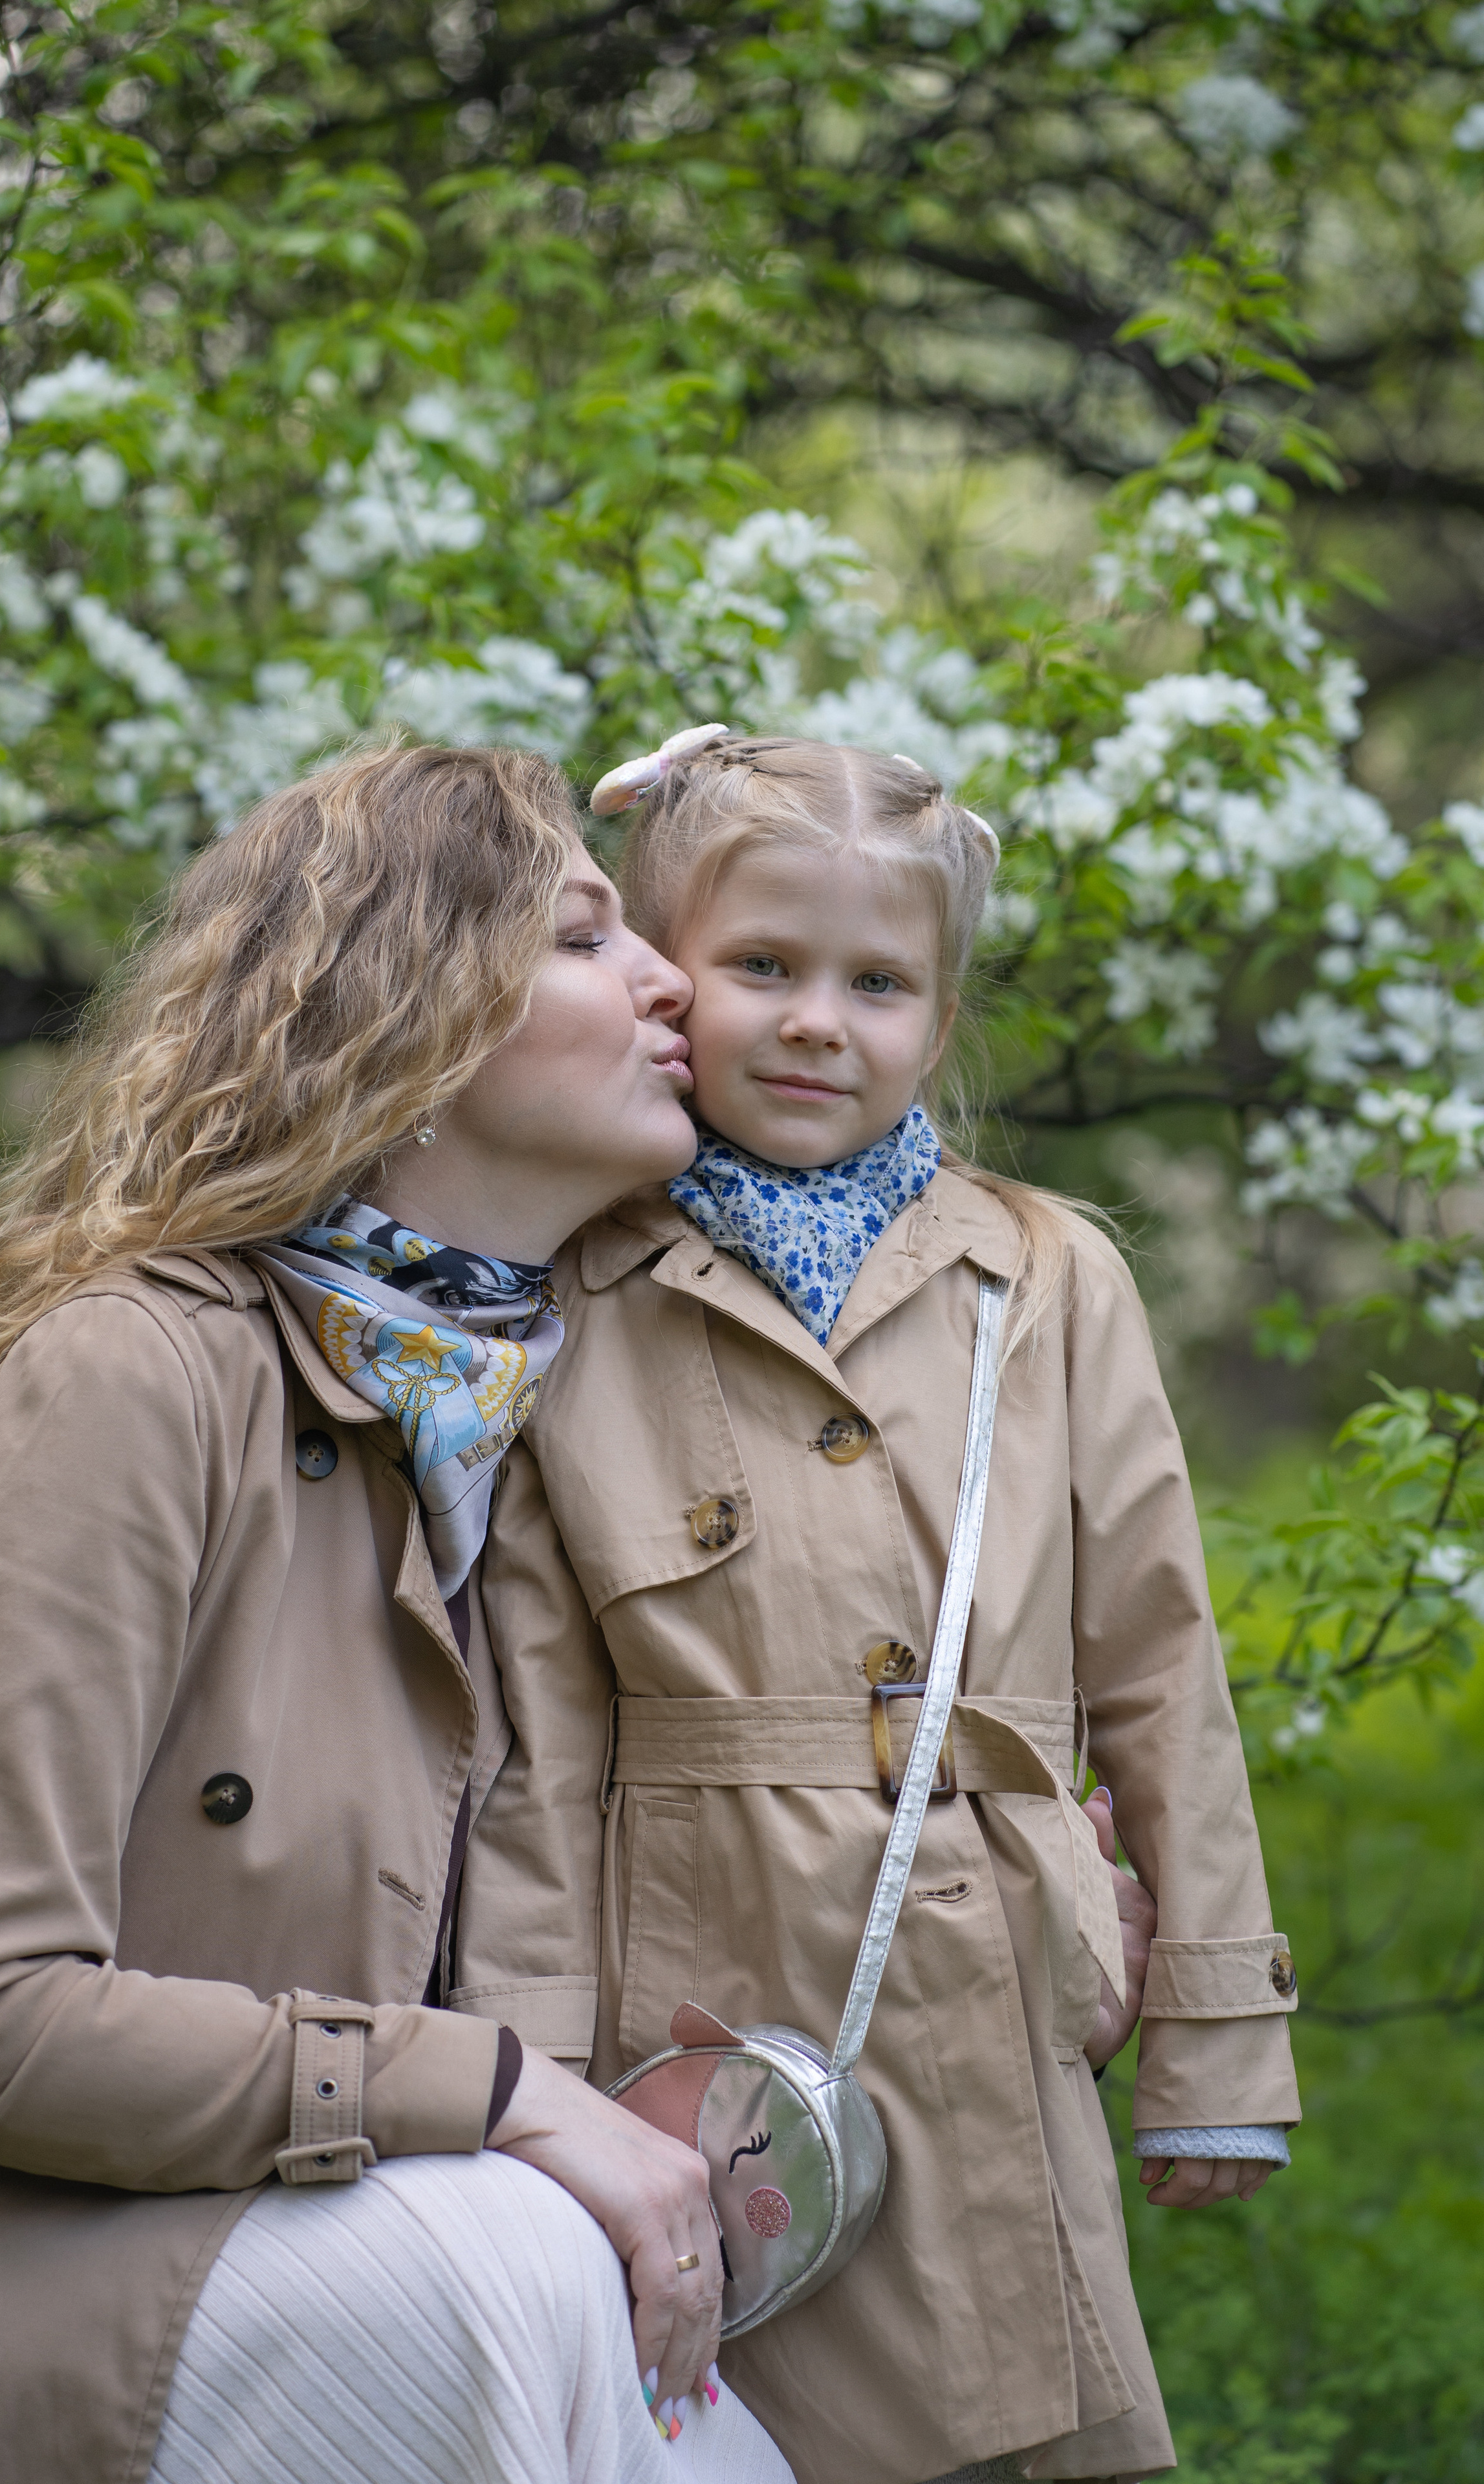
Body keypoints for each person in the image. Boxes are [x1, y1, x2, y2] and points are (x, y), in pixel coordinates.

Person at [0, 743, 799, 2484]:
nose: (675, 983)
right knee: (516, 2272)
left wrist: (1046, 1903)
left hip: (318, 2239)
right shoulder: (132, 1376)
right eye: (587, 938)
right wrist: (497, 2091)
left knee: (704, 2414)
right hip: (1, 2287)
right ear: (410, 1017)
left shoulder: (526, 1434)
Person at [452, 730, 1302, 2484]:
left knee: (1015, 2422)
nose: (817, 1022)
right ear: (667, 977)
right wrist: (531, 2082)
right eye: (762, 965)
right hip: (702, 2015)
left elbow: (1162, 1663)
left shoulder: (1045, 1276)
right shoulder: (577, 1285)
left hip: (991, 1970)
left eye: (879, 983)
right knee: (719, 2426)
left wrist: (1218, 2033)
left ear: (941, 1010)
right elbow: (535, 1734)